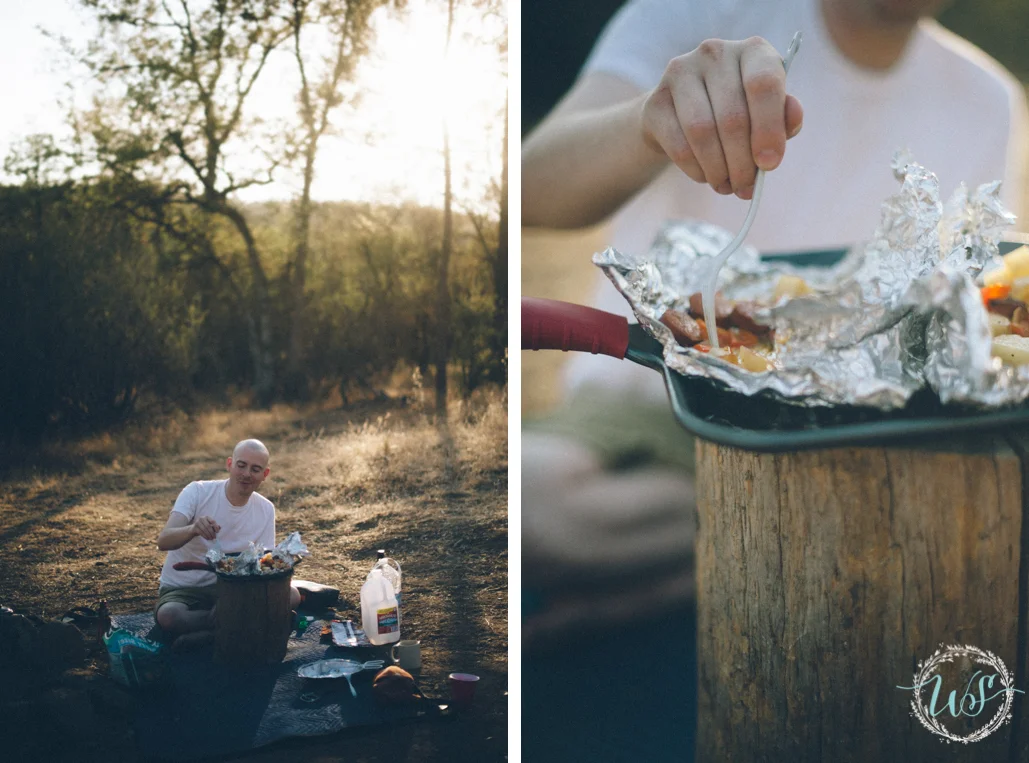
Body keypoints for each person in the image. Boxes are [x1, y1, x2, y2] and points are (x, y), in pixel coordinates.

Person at [521, 0, 1029, 646]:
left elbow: (970, 309)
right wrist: (651, 122)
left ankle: (697, 566)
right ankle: (794, 541)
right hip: (659, 399)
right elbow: (532, 189)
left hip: (848, 435)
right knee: (526, 505)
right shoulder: (696, 17)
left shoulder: (987, 99)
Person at [154, 438, 301, 649]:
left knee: (292, 595)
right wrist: (193, 529)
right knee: (169, 616)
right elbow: (163, 541)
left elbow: (263, 565)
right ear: (230, 464)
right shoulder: (197, 491)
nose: (246, 474)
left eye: (255, 469)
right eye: (241, 465)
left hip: (236, 588)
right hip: (185, 589)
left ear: (264, 475)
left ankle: (211, 634)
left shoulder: (266, 509)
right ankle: (235, 626)